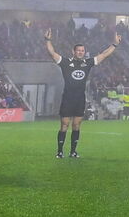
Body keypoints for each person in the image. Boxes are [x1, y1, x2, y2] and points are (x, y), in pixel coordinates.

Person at [45, 28, 121, 158]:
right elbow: (52, 53)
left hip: (80, 99)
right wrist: (47, 40)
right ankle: (59, 151)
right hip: (67, 99)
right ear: (73, 52)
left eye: (82, 51)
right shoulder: (66, 62)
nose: (80, 52)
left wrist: (114, 44)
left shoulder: (87, 63)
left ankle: (73, 152)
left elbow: (104, 54)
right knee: (64, 125)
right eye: (78, 50)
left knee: (76, 125)